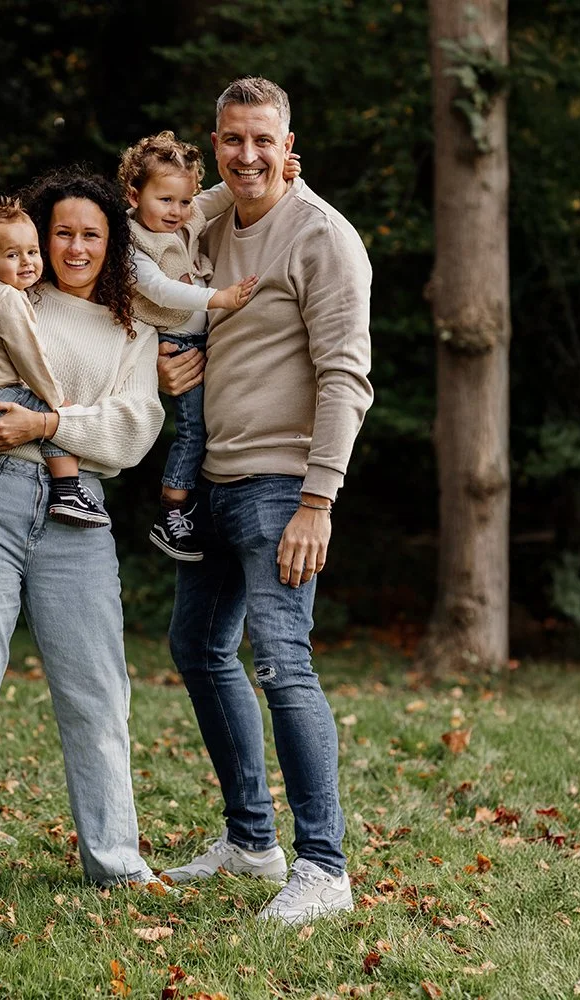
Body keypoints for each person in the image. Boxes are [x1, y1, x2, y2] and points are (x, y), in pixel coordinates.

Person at [156, 77, 374, 926]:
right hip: (213, 476)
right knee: (198, 647)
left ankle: (324, 867)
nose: (247, 156)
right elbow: (150, 227)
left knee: (283, 663)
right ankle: (251, 841)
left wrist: (319, 498)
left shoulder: (323, 238)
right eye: (231, 140)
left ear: (290, 149)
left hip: (285, 484)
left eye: (262, 141)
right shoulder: (211, 217)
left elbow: (346, 377)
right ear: (217, 143)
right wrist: (165, 369)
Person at [0, 168, 166, 901]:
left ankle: (116, 863)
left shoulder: (132, 327)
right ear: (37, 238)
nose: (76, 246)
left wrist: (48, 424)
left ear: (111, 241)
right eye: (63, 232)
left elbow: (133, 429)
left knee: (97, 695)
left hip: (77, 512)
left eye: (92, 233)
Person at [117, 131, 300, 561]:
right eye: (165, 201)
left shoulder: (185, 218)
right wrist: (218, 297)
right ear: (133, 194)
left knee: (210, 424)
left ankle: (194, 501)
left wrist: (281, 176)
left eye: (184, 201)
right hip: (175, 342)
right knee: (193, 431)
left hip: (202, 338)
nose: (178, 212)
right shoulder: (133, 244)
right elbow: (160, 290)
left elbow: (220, 196)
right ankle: (171, 512)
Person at [0, 197, 110, 528]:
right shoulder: (9, 297)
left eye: (32, 252)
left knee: (43, 413)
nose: (27, 262)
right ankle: (68, 490)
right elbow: (28, 357)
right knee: (52, 415)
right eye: (12, 255)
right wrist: (58, 402)